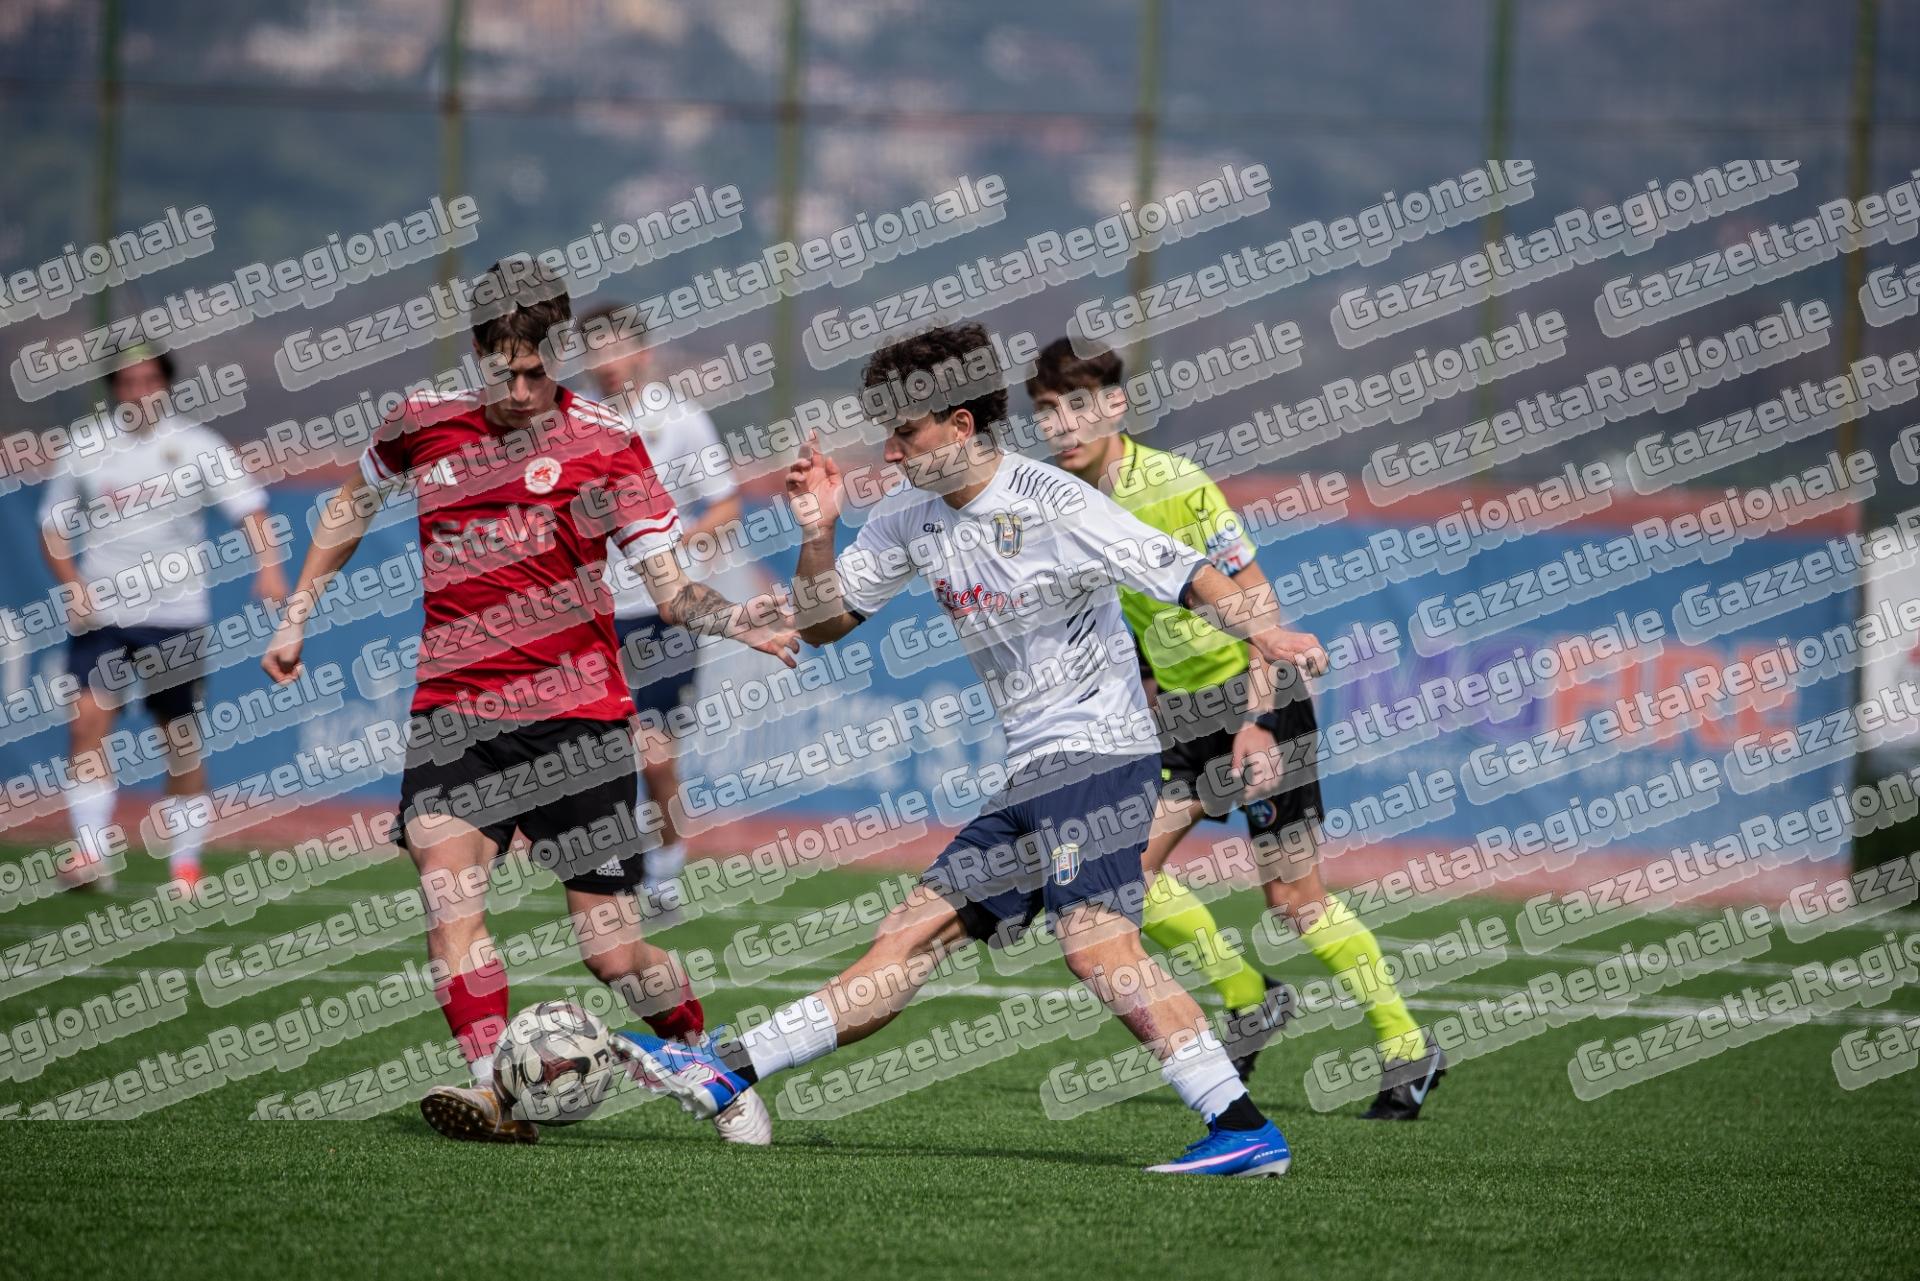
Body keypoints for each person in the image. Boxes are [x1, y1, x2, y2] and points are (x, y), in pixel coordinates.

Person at [621, 323, 1329, 1176]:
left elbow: (1185, 572)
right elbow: (825, 623)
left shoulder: (1053, 500)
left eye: (906, 432)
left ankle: (1242, 1127)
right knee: (908, 938)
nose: (891, 450)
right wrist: (817, 532)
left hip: (1099, 753)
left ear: (961, 425)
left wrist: (1267, 633)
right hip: (1030, 770)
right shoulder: (908, 513)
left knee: (1094, 939)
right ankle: (728, 1067)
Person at [260, 258, 797, 1145]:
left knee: (613, 953)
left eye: (536, 372)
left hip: (578, 722)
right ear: (477, 352)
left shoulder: (606, 440)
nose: (519, 390)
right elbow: (349, 505)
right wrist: (298, 609)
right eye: (503, 370)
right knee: (450, 903)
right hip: (454, 715)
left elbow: (669, 588)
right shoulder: (420, 422)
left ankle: (707, 1058)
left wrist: (736, 618)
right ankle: (491, 1092)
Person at [1027, 336, 1443, 1119]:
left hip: (1258, 699)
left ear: (1115, 405)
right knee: (1123, 875)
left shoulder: (1175, 484)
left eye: (1079, 404)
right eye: (1048, 410)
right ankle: (1250, 995)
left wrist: (1256, 721)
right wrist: (1149, 693)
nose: (1063, 424)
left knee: (1294, 899)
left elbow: (1258, 604)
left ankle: (1407, 1044)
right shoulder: (1060, 501)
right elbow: (1131, 610)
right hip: (1182, 717)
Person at [39, 344, 288, 895]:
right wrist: (73, 585)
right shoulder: (86, 447)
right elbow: (53, 527)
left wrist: (269, 568)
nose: (139, 393)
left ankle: (185, 866)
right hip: (103, 615)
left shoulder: (196, 445)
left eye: (149, 381)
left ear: (166, 385)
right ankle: (90, 854)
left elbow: (250, 508)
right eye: (128, 383)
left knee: (179, 740)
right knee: (86, 723)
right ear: (114, 389)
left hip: (175, 617)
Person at [578, 303, 743, 910]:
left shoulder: (679, 419)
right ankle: (610, 867)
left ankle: (667, 861)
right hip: (592, 614)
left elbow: (726, 503)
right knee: (598, 753)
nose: (606, 361)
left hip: (661, 613)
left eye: (617, 347)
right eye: (595, 349)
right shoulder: (571, 422)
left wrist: (681, 544)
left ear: (642, 353)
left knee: (653, 753)